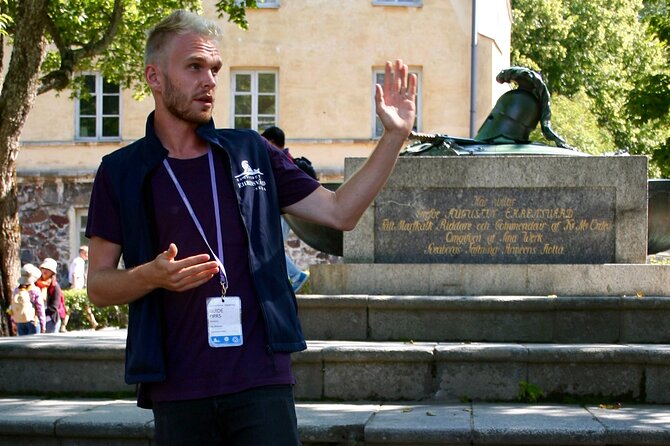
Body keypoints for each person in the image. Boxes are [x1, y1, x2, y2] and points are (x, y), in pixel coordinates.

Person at [85, 9, 415, 445]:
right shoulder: (121, 171)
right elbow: (98, 286)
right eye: (194, 67)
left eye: (215, 69)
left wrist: (393, 137)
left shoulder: (250, 152)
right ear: (155, 77)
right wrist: (150, 275)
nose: (210, 81)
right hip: (178, 386)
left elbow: (341, 213)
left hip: (262, 378)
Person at [261, 126, 311, 292]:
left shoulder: (278, 161)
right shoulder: (287, 159)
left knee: (271, 248)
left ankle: (296, 275)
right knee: (272, 247)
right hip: (287, 212)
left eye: (265, 142)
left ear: (271, 142)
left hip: (282, 212)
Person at [10, 264, 44, 336]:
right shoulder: (35, 290)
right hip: (33, 321)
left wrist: (13, 322)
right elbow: (40, 308)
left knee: (23, 345)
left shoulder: (16, 290)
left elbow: (13, 307)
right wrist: (43, 324)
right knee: (34, 345)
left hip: (20, 322)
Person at [35, 258, 65, 333]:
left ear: (52, 273)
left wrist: (41, 313)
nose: (45, 271)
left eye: (48, 269)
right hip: (37, 320)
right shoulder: (35, 284)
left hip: (51, 321)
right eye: (43, 268)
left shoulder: (55, 286)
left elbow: (54, 307)